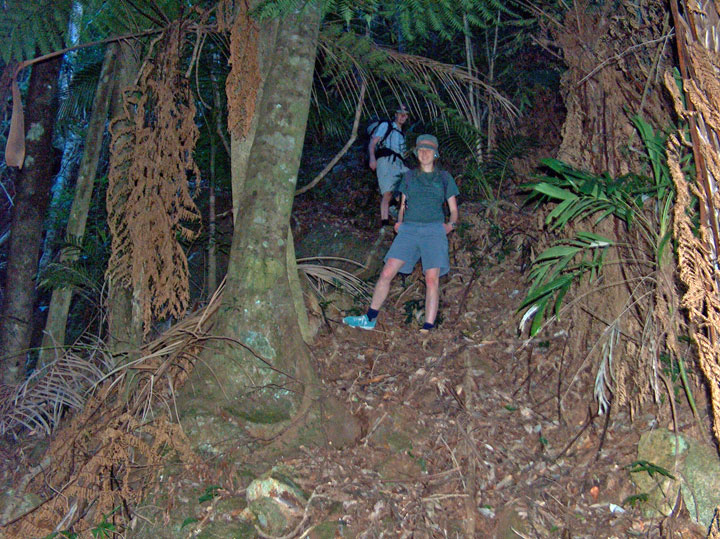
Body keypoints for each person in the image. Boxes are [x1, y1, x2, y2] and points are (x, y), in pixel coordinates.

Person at [344, 134, 459, 333]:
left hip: (434, 230)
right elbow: (403, 204)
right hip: (409, 230)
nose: (424, 153)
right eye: (421, 150)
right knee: (388, 270)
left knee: (432, 278)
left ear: (435, 154)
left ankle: (428, 327)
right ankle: (370, 318)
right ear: (417, 153)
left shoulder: (444, 177)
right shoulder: (408, 177)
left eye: (428, 150)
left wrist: (451, 224)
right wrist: (399, 223)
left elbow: (454, 209)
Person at [368, 104, 410, 227]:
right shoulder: (386, 126)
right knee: (387, 193)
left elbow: (404, 153)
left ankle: (401, 214)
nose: (403, 116)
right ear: (395, 115)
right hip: (385, 160)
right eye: (400, 113)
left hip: (399, 162)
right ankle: (385, 224)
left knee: (411, 181)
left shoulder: (403, 135)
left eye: (405, 114)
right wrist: (372, 158)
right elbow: (373, 142)